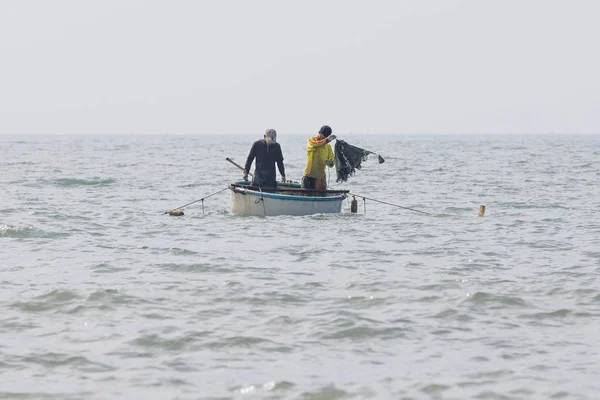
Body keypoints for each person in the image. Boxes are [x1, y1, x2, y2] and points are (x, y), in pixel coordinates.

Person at [301, 125, 336, 189]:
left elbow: (332, 162)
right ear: (319, 132)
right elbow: (314, 145)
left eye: (327, 136)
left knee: (321, 196)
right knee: (306, 195)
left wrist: (330, 163)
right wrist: (326, 140)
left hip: (321, 178)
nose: (324, 137)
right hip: (309, 175)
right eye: (324, 135)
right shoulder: (311, 140)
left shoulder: (328, 147)